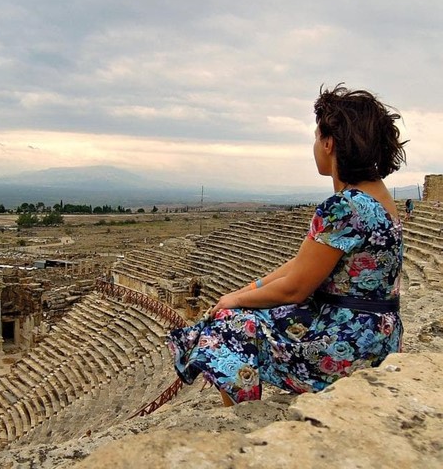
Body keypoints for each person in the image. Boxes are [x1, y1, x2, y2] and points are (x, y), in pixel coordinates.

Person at [167, 84, 407, 406]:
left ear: (329, 142)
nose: (314, 146)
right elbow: (302, 264)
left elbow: (295, 289)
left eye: (315, 136)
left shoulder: (342, 206)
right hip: (380, 336)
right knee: (246, 310)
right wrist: (252, 287)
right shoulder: (381, 199)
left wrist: (233, 301)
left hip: (345, 345)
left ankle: (240, 415)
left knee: (225, 325)